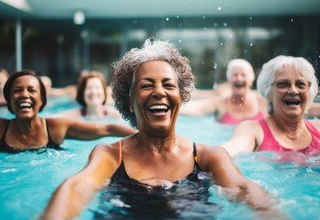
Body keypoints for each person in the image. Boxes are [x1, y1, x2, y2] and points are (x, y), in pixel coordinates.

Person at [42, 39, 279, 219]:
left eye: (168, 84)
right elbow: (77, 187)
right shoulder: (110, 156)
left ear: (180, 96)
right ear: (129, 102)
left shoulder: (208, 157)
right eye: (146, 85)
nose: (159, 92)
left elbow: (243, 188)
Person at [0, 70, 136, 153]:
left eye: (31, 90)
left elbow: (106, 128)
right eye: (17, 90)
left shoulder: (55, 128)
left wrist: (143, 135)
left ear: (42, 99)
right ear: (8, 99)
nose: (24, 95)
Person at [221, 55, 320, 156]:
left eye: (301, 84)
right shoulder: (253, 131)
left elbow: (316, 109)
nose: (293, 91)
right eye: (283, 84)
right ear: (268, 92)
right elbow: (229, 150)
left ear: (309, 91)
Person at [180, 59, 267, 124]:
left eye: (243, 75)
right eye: (235, 75)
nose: (239, 78)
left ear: (252, 80)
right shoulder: (220, 102)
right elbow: (193, 107)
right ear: (229, 80)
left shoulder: (263, 100)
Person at [54, 71, 120, 118]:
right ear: (82, 93)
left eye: (97, 87)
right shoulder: (73, 115)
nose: (93, 91)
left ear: (104, 92)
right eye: (89, 88)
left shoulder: (116, 116)